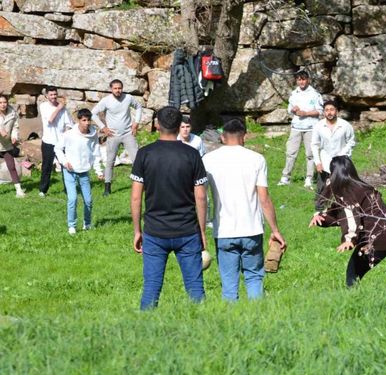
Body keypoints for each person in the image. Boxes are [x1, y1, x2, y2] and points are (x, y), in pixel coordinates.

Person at [130, 106, 208, 310]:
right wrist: (201, 230)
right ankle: (203, 327)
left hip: (155, 232)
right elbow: (200, 196)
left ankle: (146, 331)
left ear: (157, 125)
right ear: (178, 127)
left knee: (151, 288)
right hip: (187, 230)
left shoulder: (144, 154)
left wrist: (137, 230)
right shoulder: (192, 154)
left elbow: (136, 196)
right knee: (195, 288)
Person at [202, 118, 286, 301]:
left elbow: (201, 197)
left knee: (229, 283)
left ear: (222, 137)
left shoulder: (208, 160)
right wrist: (275, 230)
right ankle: (256, 316)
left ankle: (234, 322)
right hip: (252, 229)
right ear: (245, 136)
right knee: (255, 276)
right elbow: (264, 198)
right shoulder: (256, 159)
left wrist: (200, 229)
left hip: (223, 230)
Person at [309, 156, 386, 287]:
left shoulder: (347, 193)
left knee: (352, 275)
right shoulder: (364, 187)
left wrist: (349, 239)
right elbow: (340, 213)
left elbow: (350, 218)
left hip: (376, 238)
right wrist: (321, 217)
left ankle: (353, 301)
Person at [55, 109, 104, 235]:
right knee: (73, 199)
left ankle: (87, 224)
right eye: (84, 120)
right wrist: (65, 162)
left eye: (89, 120)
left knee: (88, 200)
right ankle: (72, 225)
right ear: (78, 120)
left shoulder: (93, 135)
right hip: (70, 171)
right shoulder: (69, 134)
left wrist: (98, 170)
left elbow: (96, 154)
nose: (87, 123)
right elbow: (58, 148)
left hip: (84, 171)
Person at [92, 79, 143, 197]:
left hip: (128, 134)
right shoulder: (106, 101)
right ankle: (107, 187)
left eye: (119, 88)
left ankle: (140, 184)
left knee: (137, 160)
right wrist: (103, 127)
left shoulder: (128, 98)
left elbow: (139, 107)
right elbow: (93, 113)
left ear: (122, 88)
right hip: (113, 135)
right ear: (111, 89)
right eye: (115, 88)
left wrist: (136, 122)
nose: (118, 90)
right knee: (110, 162)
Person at [278, 71, 323, 189]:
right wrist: (293, 110)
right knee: (291, 152)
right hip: (296, 127)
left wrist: (306, 113)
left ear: (308, 80)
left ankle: (309, 178)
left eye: (303, 79)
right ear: (296, 81)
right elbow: (289, 109)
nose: (301, 82)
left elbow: (320, 111)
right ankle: (285, 177)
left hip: (311, 127)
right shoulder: (294, 93)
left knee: (310, 154)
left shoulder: (315, 94)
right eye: (299, 80)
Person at [311, 100, 355, 211]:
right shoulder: (319, 126)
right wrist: (318, 162)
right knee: (322, 186)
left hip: (341, 161)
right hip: (325, 161)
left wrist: (343, 155)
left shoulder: (345, 125)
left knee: (343, 185)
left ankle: (344, 207)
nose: (329, 112)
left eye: (332, 109)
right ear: (324, 112)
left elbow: (351, 141)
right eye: (326, 110)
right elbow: (314, 144)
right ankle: (320, 209)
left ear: (337, 111)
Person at [39, 86, 73, 197]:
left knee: (65, 166)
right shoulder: (43, 106)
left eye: (55, 94)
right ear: (47, 96)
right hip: (48, 141)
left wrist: (66, 134)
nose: (53, 97)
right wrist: (58, 108)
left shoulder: (63, 109)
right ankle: (43, 190)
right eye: (51, 95)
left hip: (61, 142)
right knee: (47, 166)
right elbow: (50, 120)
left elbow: (69, 124)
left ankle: (68, 189)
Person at [0, 95, 25, 197]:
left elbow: (15, 126)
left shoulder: (12, 112)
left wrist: (14, 136)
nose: (3, 105)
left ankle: (19, 190)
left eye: (4, 102)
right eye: (0, 103)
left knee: (11, 166)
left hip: (6, 144)